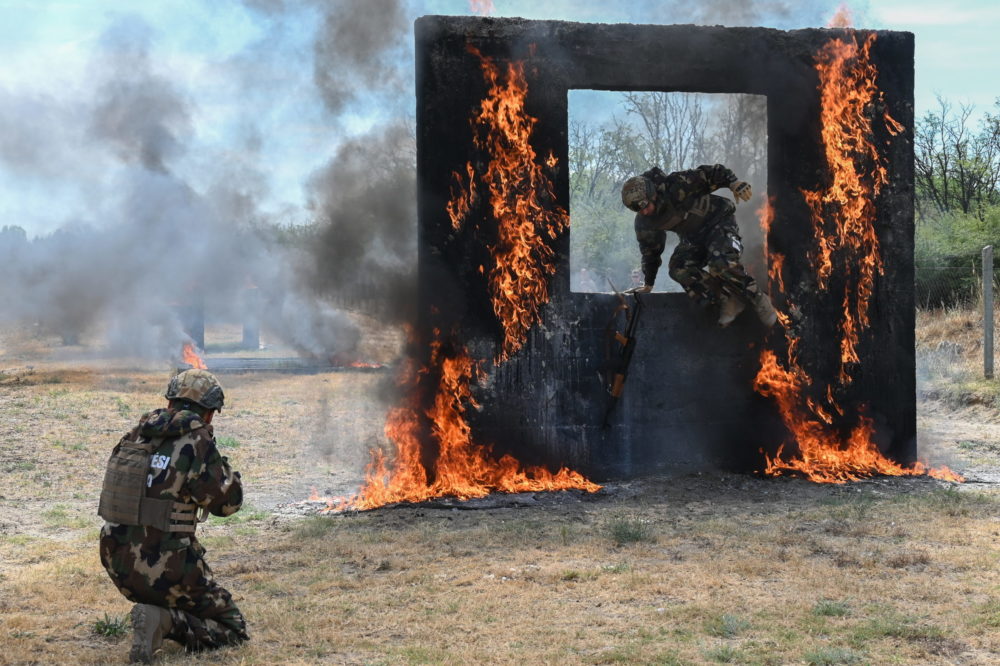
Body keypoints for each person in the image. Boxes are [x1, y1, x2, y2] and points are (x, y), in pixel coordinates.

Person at [98, 369, 247, 663]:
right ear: (209, 414)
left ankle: (159, 612)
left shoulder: (134, 435)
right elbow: (227, 504)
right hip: (167, 565)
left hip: (118, 562)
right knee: (232, 629)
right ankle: (163, 620)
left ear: (170, 403)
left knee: (181, 593)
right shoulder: (195, 442)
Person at [620, 164, 777, 327]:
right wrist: (648, 283)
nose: (643, 212)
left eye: (644, 205)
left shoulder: (676, 185)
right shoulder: (645, 222)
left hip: (719, 222)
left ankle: (758, 298)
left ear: (653, 195)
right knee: (678, 268)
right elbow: (650, 251)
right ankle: (727, 299)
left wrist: (733, 183)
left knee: (720, 262)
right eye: (637, 209)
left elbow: (712, 173)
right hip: (693, 238)